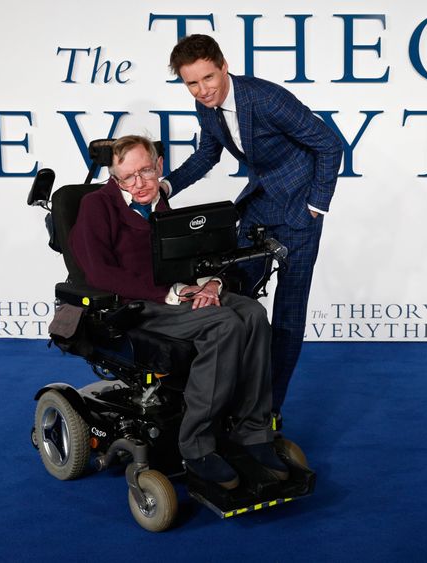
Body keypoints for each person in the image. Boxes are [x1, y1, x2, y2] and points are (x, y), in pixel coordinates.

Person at [69, 135, 288, 489]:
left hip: (177, 294)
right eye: (128, 177)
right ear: (114, 178)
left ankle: (253, 431)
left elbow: (191, 258)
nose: (139, 183)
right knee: (223, 324)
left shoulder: (162, 203)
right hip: (137, 305)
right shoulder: (98, 206)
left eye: (145, 171)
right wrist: (173, 292)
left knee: (251, 314)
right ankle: (196, 446)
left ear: (159, 167)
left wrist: (212, 284)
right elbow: (99, 273)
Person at [162, 34, 343, 424]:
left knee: (288, 316)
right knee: (229, 289)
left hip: (299, 210)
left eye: (208, 78)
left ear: (224, 66)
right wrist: (168, 185)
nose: (203, 89)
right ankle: (224, 394)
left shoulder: (266, 98)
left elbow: (329, 144)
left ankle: (268, 411)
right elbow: (207, 154)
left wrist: (316, 205)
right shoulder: (205, 106)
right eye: (192, 83)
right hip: (260, 202)